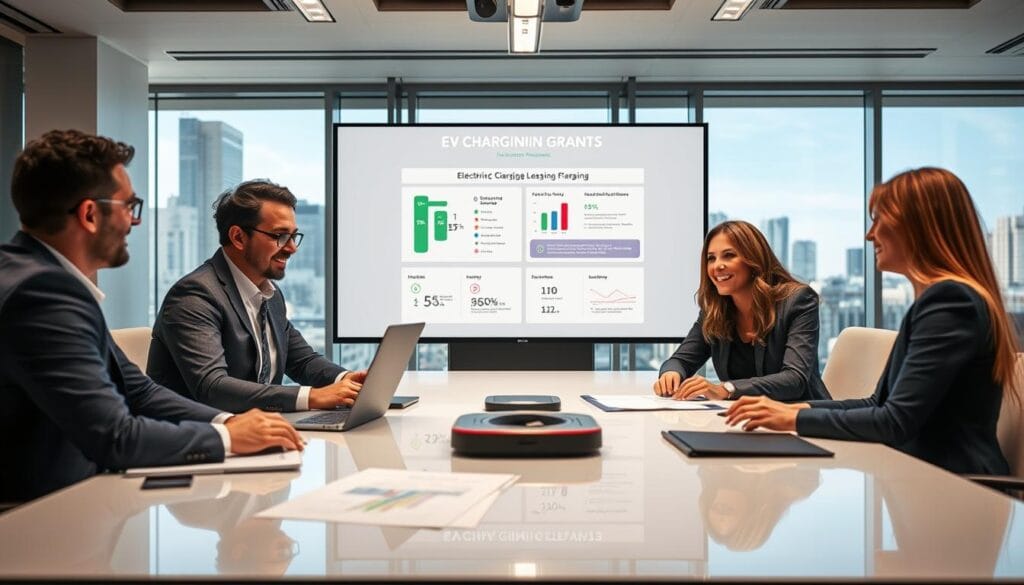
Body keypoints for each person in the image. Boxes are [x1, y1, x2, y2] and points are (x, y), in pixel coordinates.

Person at [0, 130, 303, 503]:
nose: (135, 222)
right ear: (91, 214)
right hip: (35, 521)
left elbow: (137, 389)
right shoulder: (42, 293)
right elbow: (116, 436)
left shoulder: (43, 279)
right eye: (130, 207)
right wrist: (227, 438)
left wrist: (227, 422)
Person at [724, 167, 1018, 475]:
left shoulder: (950, 302)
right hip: (923, 480)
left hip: (957, 491)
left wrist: (792, 419)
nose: (870, 234)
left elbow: (894, 421)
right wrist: (795, 409)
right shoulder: (942, 299)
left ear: (918, 225)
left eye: (879, 220)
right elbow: (878, 402)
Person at [148, 180, 365, 413]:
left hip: (256, 432)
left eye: (294, 236)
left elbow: (302, 361)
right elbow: (213, 387)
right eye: (280, 236)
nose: (292, 248)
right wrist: (311, 397)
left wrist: (347, 379)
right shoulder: (194, 296)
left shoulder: (269, 294)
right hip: (196, 439)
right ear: (238, 237)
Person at [654, 220, 830, 402]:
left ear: (753, 260)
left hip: (799, 418)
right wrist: (671, 373)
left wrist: (727, 389)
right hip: (742, 418)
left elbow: (794, 379)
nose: (717, 266)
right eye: (711, 258)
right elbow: (680, 360)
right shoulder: (715, 310)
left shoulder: (798, 300)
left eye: (728, 255)